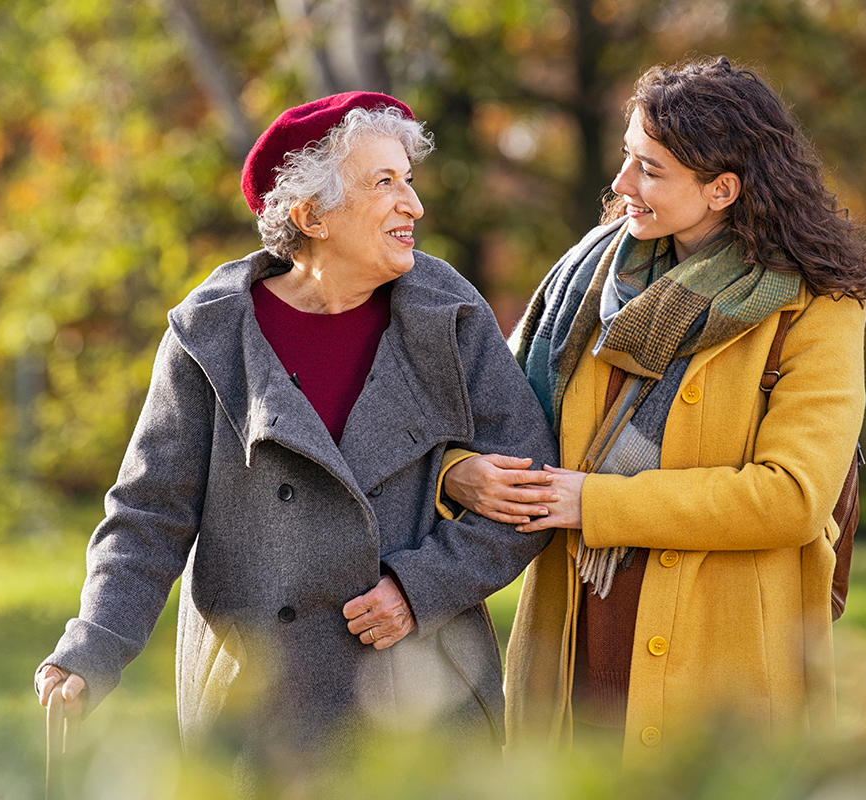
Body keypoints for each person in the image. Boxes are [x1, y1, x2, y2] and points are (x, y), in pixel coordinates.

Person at [35, 91, 558, 783]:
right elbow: (149, 515)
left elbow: (528, 489)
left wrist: (419, 586)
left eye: (409, 179)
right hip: (262, 706)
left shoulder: (449, 314)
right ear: (311, 215)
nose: (414, 205)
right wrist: (91, 646)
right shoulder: (212, 336)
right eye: (384, 183)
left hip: (423, 697)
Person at [441, 56, 866, 765]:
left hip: (723, 669)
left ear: (722, 189)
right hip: (573, 647)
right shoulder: (584, 284)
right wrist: (461, 473)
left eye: (649, 169)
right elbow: (481, 418)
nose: (621, 187)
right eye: (626, 159)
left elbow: (793, 497)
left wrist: (599, 503)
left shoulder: (820, 308)